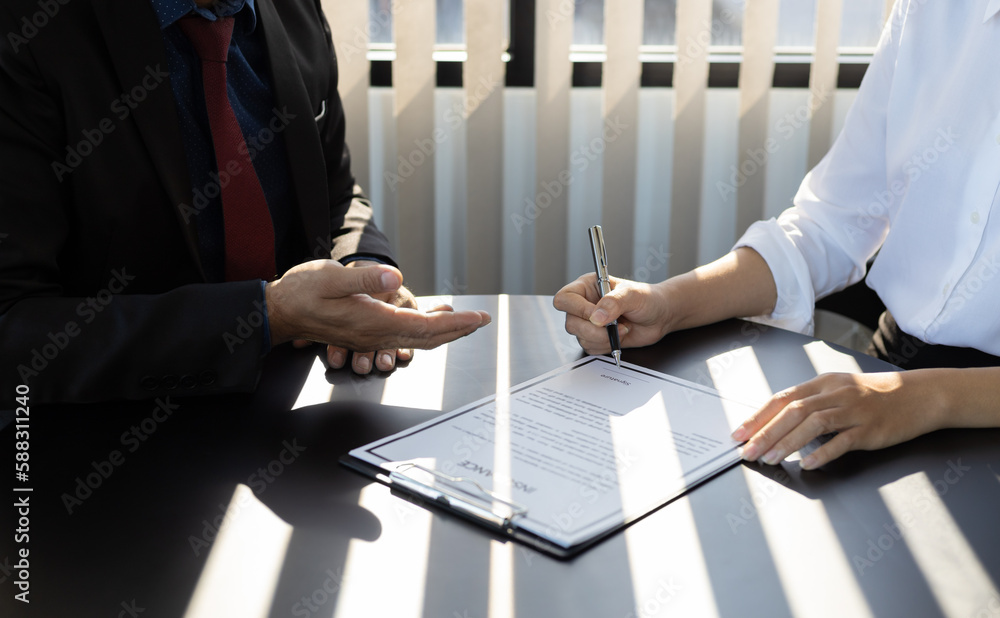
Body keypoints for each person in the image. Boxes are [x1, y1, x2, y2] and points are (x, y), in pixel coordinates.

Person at [554, 0, 1000, 470]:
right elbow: (827, 225)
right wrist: (666, 305)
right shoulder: (932, 11)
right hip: (891, 375)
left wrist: (927, 398)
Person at [0, 0, 490, 403]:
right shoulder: (28, 35)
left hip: (299, 402)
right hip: (99, 433)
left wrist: (361, 273)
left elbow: (337, 192)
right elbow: (14, 328)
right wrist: (265, 316)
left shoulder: (295, 12)